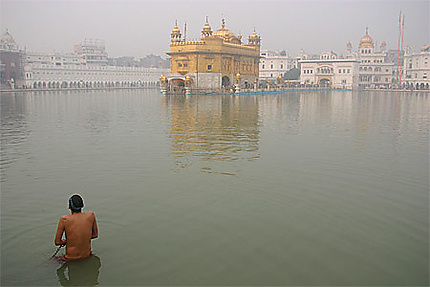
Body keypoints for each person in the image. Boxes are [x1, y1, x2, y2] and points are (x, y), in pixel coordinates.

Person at [54, 194, 98, 260]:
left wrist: (67, 241)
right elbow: (95, 235)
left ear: (69, 206)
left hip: (71, 258)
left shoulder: (64, 219)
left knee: (54, 260)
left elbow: (57, 242)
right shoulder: (91, 215)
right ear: (82, 205)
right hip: (87, 256)